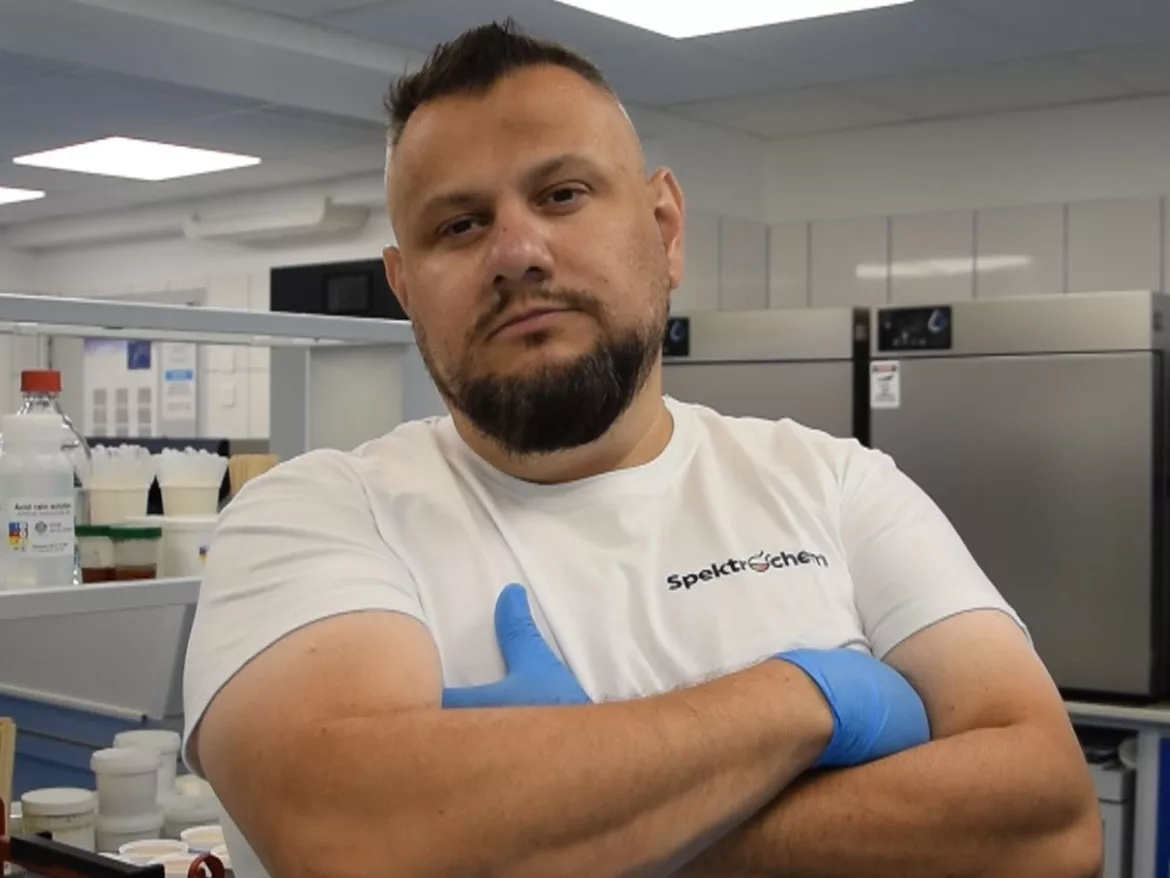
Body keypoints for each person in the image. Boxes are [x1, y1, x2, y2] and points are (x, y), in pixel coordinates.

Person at [182, 20, 1101, 878]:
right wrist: (810, 697)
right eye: (459, 225)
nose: (517, 251)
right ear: (403, 287)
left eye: (562, 195)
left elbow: (1051, 822)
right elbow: (356, 837)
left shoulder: (835, 485)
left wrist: (548, 821)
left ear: (664, 229)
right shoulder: (316, 515)